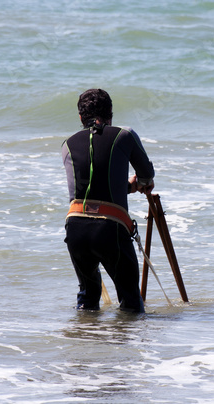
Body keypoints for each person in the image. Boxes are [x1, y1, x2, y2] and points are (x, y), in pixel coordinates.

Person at [61, 88, 155, 313]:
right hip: (109, 229)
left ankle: (84, 338)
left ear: (81, 118)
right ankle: (124, 346)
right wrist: (139, 183)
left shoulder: (67, 144)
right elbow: (147, 176)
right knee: (131, 303)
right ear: (111, 115)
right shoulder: (124, 135)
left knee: (88, 296)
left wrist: (126, 187)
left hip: (75, 227)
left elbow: (87, 189)